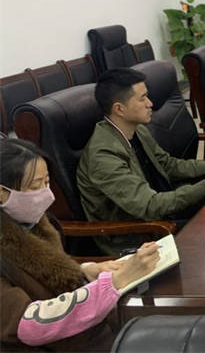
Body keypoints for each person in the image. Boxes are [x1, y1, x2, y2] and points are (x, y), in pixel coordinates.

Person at [1, 138, 161, 350]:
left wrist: (84, 271)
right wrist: (115, 282)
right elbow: (29, 324)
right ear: (2, 193)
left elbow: (46, 273)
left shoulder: (34, 224)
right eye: (34, 186)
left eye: (46, 183)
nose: (46, 194)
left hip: (82, 336)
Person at [77, 68, 205, 254]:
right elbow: (149, 206)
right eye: (142, 99)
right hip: (140, 234)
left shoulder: (136, 129)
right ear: (119, 109)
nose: (150, 104)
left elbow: (168, 165)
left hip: (164, 210)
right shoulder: (103, 155)